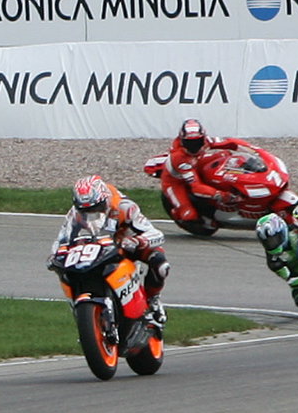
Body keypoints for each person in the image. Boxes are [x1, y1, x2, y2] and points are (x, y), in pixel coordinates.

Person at [49, 175, 169, 324]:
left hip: (125, 244)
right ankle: (82, 311)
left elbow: (156, 234)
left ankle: (153, 299)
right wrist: (55, 255)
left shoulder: (125, 207)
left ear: (105, 201)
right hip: (96, 249)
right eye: (85, 211)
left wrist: (137, 241)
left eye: (96, 209)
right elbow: (62, 238)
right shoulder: (75, 213)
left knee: (160, 263)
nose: (90, 215)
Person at [160, 118, 262, 224]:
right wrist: (223, 195)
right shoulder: (179, 157)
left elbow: (231, 143)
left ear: (203, 138)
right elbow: (196, 187)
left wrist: (254, 150)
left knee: (225, 155)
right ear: (182, 141)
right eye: (189, 143)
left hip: (196, 163)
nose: (194, 146)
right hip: (175, 181)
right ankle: (180, 212)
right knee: (188, 216)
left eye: (197, 141)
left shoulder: (206, 141)